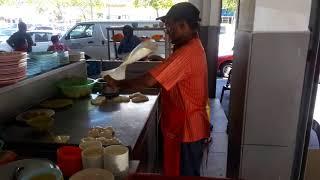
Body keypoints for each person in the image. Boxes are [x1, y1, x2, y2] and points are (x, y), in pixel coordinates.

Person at [104, 2, 210, 176]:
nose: (167, 31)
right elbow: (178, 70)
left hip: (186, 130)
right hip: (187, 125)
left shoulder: (187, 53)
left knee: (184, 174)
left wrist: (118, 84)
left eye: (170, 26)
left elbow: (147, 81)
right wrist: (160, 60)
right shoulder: (193, 45)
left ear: (183, 25)